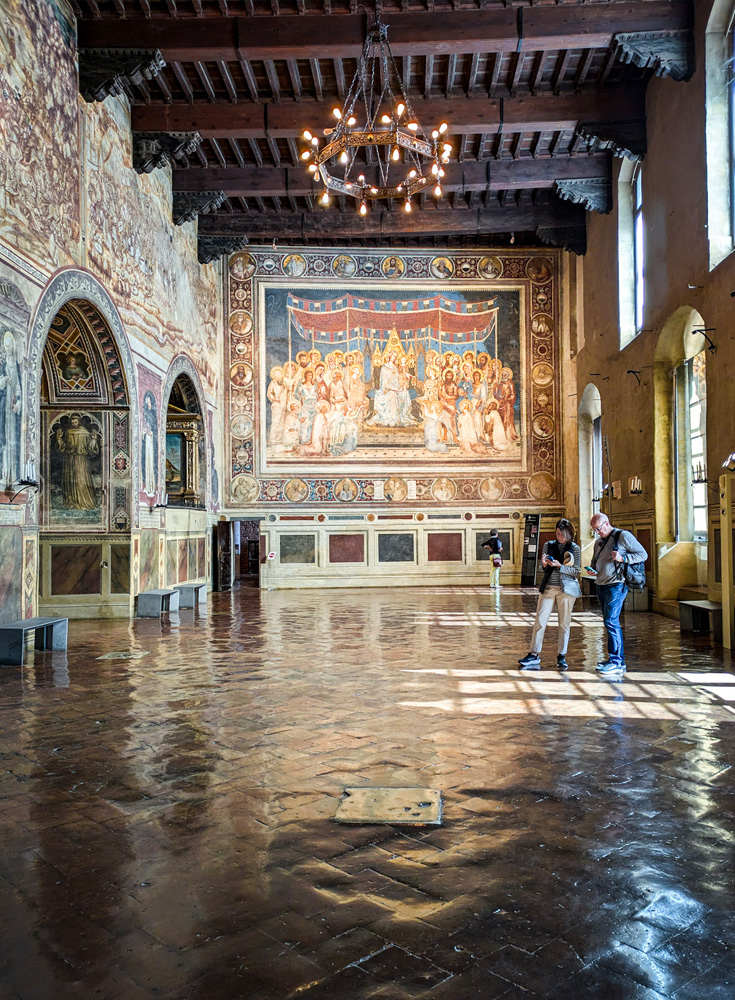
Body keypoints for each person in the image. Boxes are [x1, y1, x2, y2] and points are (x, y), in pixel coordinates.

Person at [587, 513, 648, 677]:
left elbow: (643, 554)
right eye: (594, 530)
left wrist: (623, 558)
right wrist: (593, 570)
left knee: (611, 621)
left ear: (607, 523)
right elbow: (596, 561)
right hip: (601, 584)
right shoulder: (599, 541)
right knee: (608, 622)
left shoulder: (623, 536)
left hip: (617, 585)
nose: (597, 533)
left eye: (598, 529)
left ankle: (616, 661)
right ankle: (615, 660)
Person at [518, 519, 582, 671]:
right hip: (548, 587)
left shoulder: (575, 549)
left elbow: (576, 571)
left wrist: (560, 567)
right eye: (557, 534)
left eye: (561, 535)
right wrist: (545, 564)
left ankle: (562, 655)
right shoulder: (548, 545)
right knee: (540, 621)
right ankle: (534, 653)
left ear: (568, 535)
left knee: (564, 624)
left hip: (566, 590)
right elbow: (542, 568)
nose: (558, 537)